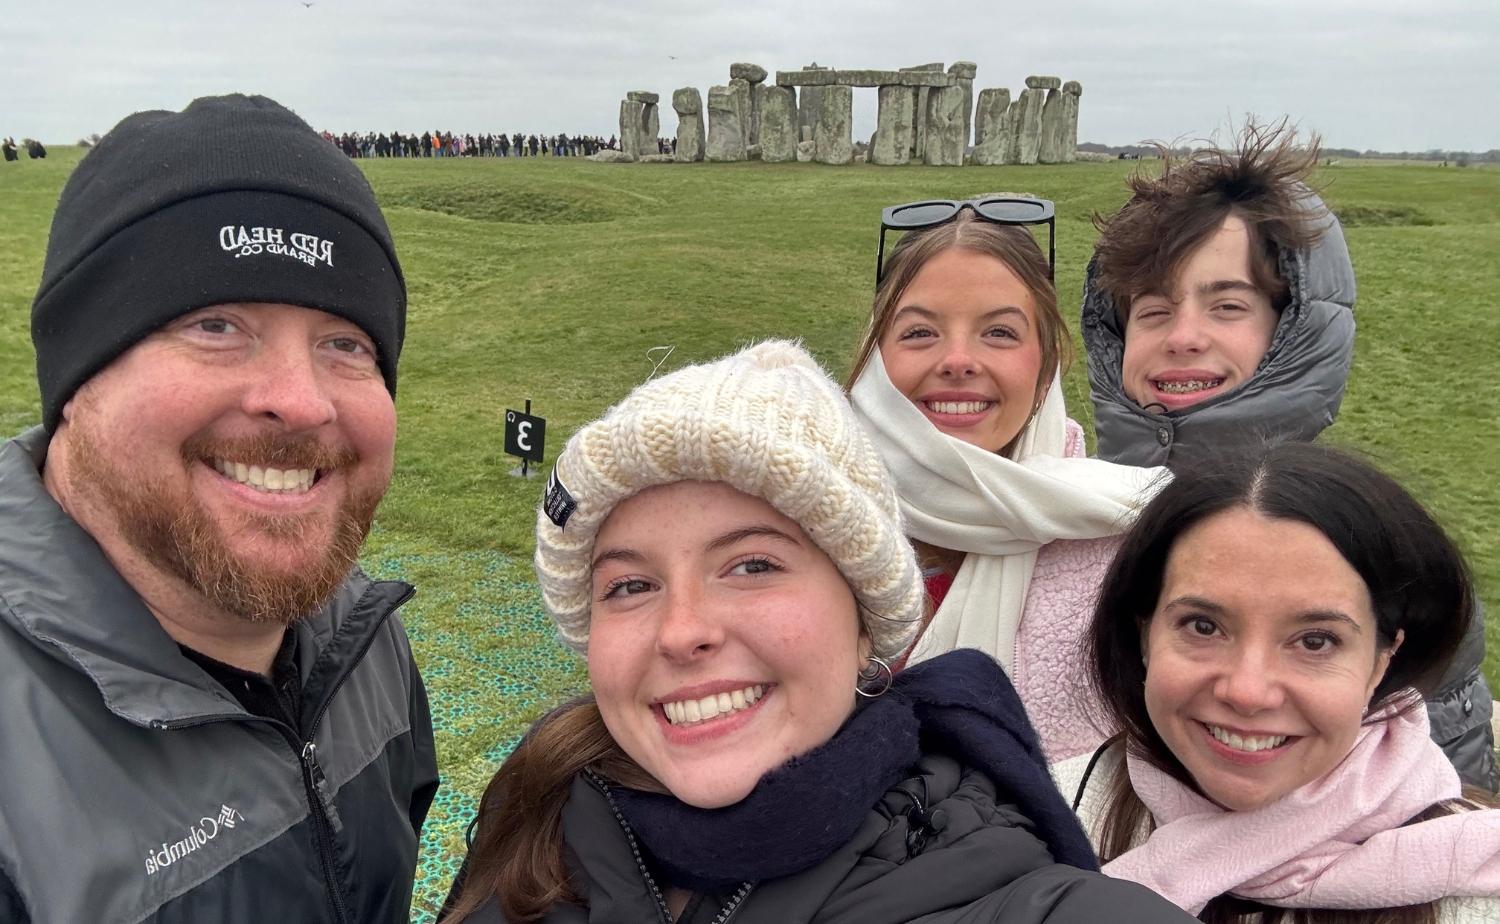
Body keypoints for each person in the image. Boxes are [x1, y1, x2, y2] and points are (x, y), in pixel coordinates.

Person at [440, 341, 1196, 924]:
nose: (682, 632)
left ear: (866, 620)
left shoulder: (1014, 895)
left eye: (752, 566)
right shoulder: (534, 816)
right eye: (630, 585)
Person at [0, 94, 438, 923]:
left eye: (346, 342)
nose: (301, 402)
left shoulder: (367, 641)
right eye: (217, 323)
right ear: (76, 379)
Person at [1080, 123, 1496, 790]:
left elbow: (1447, 785)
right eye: (1153, 312)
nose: (1184, 337)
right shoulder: (1064, 513)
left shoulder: (1381, 546)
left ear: (1293, 332)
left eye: (1227, 306)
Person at [1054, 441, 1500, 923]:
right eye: (1203, 626)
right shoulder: (1033, 817)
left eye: (1314, 641)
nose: (1247, 692)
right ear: (1145, 635)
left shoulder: (1479, 893)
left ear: (1382, 661)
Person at [845, 202, 1165, 762]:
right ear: (875, 359)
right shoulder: (803, 524)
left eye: (999, 332)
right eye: (920, 332)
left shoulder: (1129, 535)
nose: (959, 360)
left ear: (1046, 365)